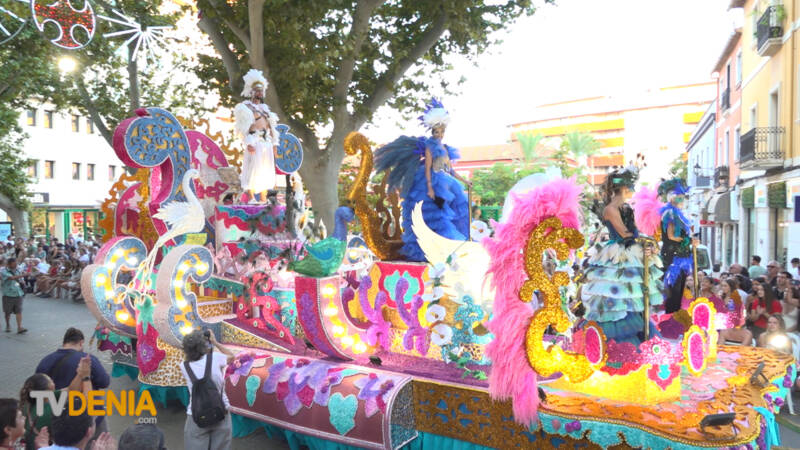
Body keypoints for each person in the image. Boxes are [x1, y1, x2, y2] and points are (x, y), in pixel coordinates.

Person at [374, 98, 471, 261]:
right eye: (436, 132)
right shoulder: (429, 146)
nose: (439, 134)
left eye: (441, 131)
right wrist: (430, 187)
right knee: (433, 214)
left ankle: (449, 247)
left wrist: (465, 181)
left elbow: (450, 170)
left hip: (446, 182)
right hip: (431, 182)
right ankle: (430, 249)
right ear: (432, 131)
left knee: (458, 207)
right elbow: (427, 168)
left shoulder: (445, 148)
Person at [580, 167, 663, 344]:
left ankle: (642, 338)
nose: (633, 191)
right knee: (617, 298)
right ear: (624, 188)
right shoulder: (610, 209)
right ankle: (619, 343)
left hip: (632, 251)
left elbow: (634, 232)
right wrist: (646, 241)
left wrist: (649, 243)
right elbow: (625, 234)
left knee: (634, 297)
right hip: (618, 254)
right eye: (632, 187)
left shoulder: (626, 208)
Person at [34, 328, 110, 442]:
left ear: (64, 342)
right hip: (89, 416)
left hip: (58, 418)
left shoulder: (45, 361)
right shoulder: (88, 359)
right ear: (81, 342)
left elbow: (38, 388)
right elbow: (104, 382)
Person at [180, 329, 236, 450]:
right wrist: (215, 342)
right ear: (203, 346)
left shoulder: (184, 366)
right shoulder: (215, 358)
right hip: (221, 411)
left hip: (196, 414)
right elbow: (232, 356)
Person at [20, 361, 90, 450]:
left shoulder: (29, 403)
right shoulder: (52, 411)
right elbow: (85, 406)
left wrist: (80, 373)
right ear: (48, 389)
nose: (53, 381)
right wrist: (86, 377)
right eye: (51, 381)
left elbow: (71, 390)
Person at [234, 69, 280, 204]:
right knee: (253, 169)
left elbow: (272, 127)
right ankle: (251, 198)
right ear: (251, 91)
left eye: (261, 90)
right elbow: (244, 128)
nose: (259, 93)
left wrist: (275, 144)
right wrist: (248, 143)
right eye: (257, 90)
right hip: (255, 141)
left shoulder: (265, 109)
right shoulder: (245, 107)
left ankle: (264, 198)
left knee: (265, 170)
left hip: (266, 142)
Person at [658, 178, 696, 314]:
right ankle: (671, 317)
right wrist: (689, 241)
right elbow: (671, 236)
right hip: (674, 257)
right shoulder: (671, 213)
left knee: (679, 291)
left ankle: (675, 316)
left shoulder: (678, 214)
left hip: (682, 256)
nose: (682, 200)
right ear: (672, 198)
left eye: (683, 198)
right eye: (679, 198)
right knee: (673, 290)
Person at [717, 279, 753, 346]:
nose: (723, 288)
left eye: (725, 286)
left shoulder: (735, 298)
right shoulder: (720, 297)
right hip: (719, 324)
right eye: (722, 286)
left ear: (731, 287)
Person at [2, 258, 27, 334]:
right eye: (14, 263)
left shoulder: (17, 271)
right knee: (7, 312)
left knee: (19, 311)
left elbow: (21, 279)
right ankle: (8, 325)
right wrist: (24, 274)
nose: (16, 265)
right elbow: (11, 278)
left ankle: (19, 327)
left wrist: (23, 282)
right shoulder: (4, 271)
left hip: (18, 293)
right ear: (9, 264)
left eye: (16, 263)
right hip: (8, 294)